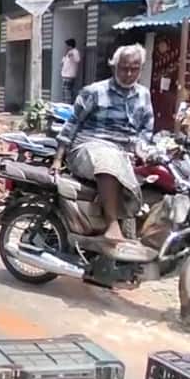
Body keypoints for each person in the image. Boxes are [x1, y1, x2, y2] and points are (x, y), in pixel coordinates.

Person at [52, 43, 154, 253]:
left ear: (140, 69)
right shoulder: (94, 91)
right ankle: (112, 225)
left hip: (123, 154)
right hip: (88, 148)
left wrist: (142, 148)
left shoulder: (144, 95)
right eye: (124, 68)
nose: (128, 74)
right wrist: (57, 159)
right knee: (107, 158)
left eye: (134, 69)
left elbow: (146, 130)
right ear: (114, 66)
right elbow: (71, 125)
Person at [61, 38, 81, 103]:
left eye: (67, 45)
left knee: (67, 90)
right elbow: (62, 62)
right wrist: (65, 55)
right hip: (65, 74)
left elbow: (77, 60)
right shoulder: (67, 52)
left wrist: (72, 55)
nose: (66, 47)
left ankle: (68, 103)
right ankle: (67, 102)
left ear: (70, 45)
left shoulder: (75, 51)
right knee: (66, 90)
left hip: (69, 74)